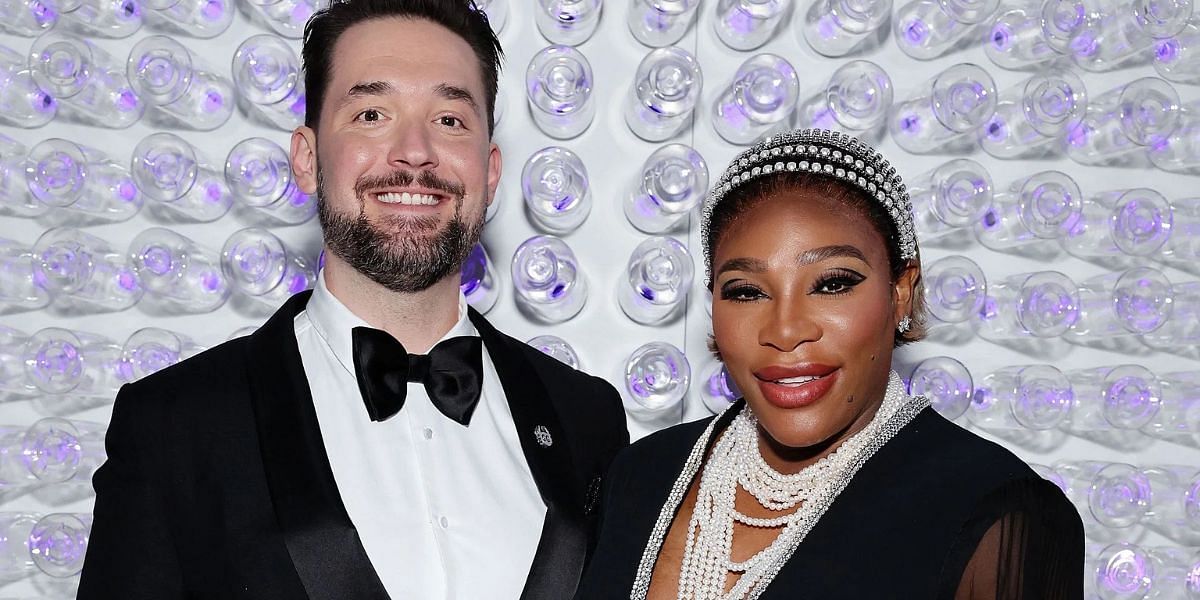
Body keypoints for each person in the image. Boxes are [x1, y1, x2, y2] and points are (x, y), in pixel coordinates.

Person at [77, 1, 628, 598]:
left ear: (490, 171)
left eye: (449, 120)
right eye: (371, 113)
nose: (414, 152)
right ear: (308, 160)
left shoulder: (587, 419)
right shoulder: (173, 426)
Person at [575, 129, 1084, 600]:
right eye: (746, 291)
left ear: (901, 292)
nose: (785, 329)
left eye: (833, 283)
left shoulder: (998, 511)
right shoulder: (642, 475)